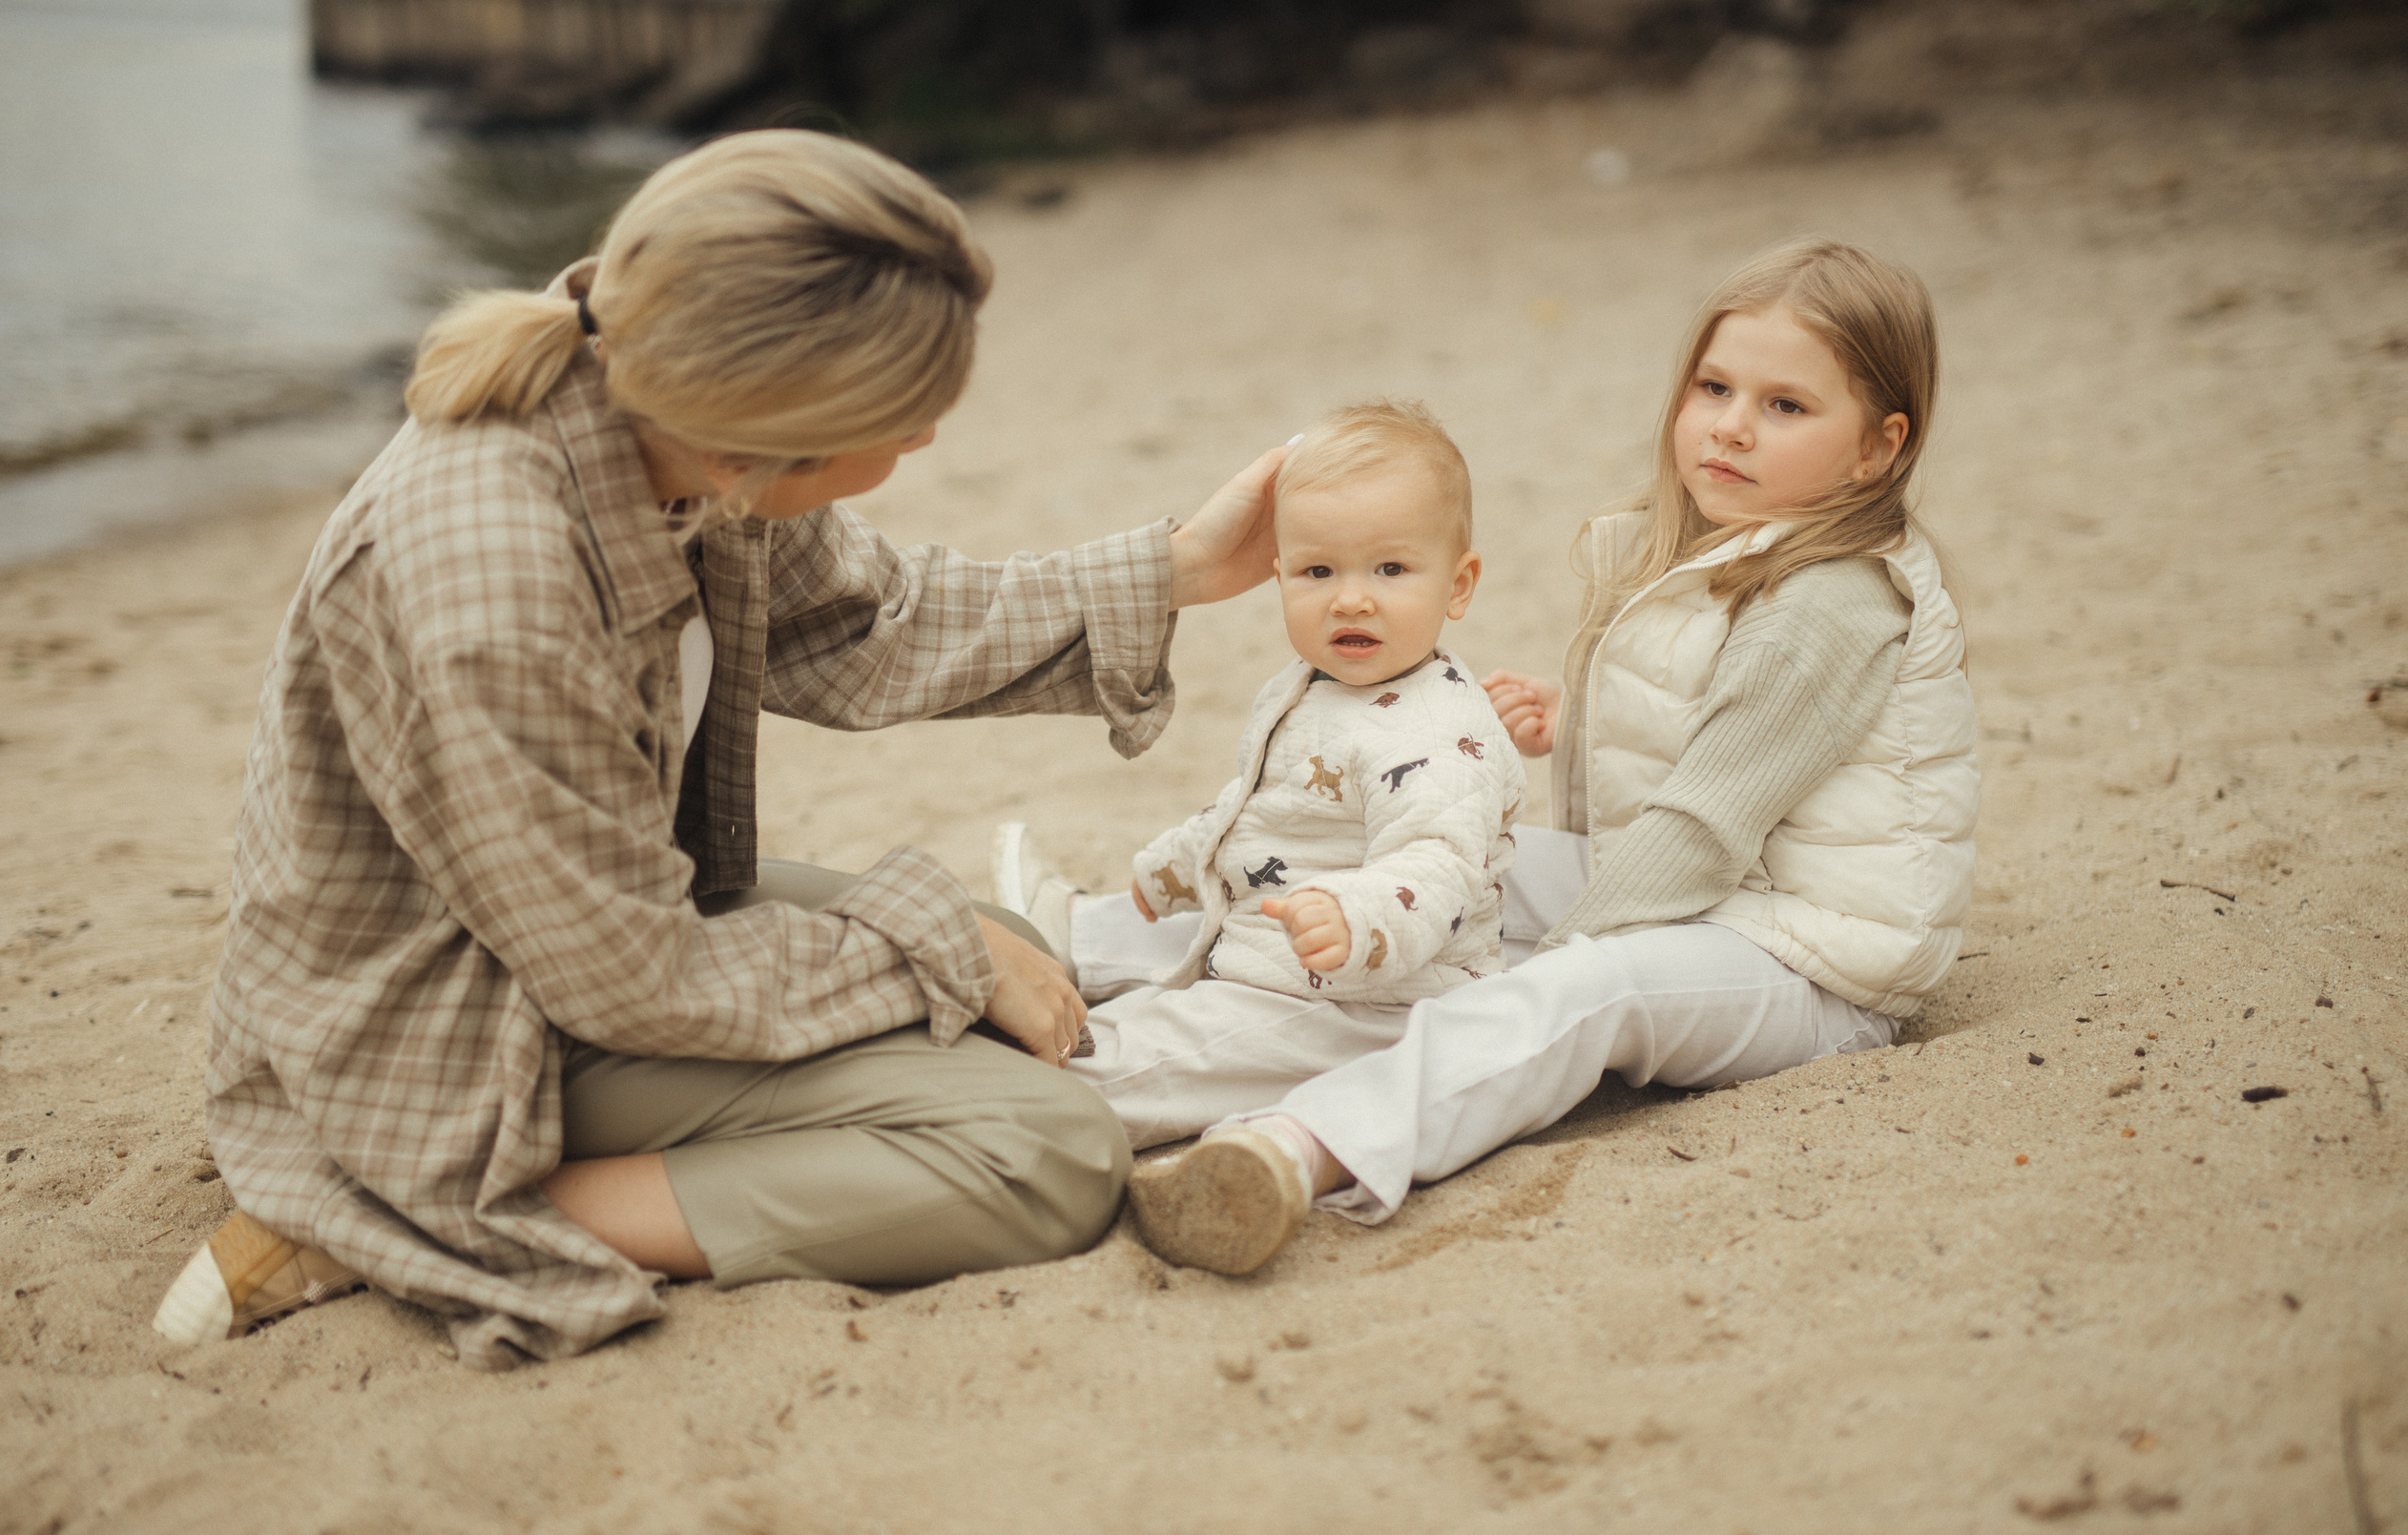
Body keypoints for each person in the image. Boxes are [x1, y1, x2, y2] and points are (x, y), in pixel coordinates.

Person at [149, 130, 1285, 1367]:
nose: (924, 448)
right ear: (763, 438)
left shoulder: (663, 418)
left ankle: (628, 1158)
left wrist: (1181, 570)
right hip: (454, 1016)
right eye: (906, 421)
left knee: (1024, 970)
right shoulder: (495, 578)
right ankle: (391, 1210)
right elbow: (635, 981)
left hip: (586, 938)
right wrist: (937, 948)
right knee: (1046, 1150)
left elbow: (873, 627)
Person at [1121, 238, 1980, 1276]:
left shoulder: (1832, 601)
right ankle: (1079, 947)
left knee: (1588, 987)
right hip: (1722, 887)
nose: (1730, 427)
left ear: (1876, 450)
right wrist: (1572, 716)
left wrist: (1561, 953)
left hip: (1812, 962)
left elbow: (1704, 820)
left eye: (1785, 407)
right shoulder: (1731, 544)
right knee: (1427, 851)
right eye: (1713, 387)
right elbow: (1724, 733)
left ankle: (1293, 1151)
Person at [995, 403, 1526, 1151]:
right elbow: (1261, 811)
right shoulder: (1313, 683)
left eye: (1391, 568)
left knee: (1165, 1050)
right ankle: (1076, 954)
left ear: (1459, 584)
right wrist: (1179, 865)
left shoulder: (1437, 732)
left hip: (1368, 1001)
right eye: (1318, 570)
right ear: (1279, 577)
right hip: (1279, 952)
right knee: (1185, 980)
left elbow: (1435, 867)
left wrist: (1356, 916)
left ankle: (1018, 1104)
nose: (1350, 596)